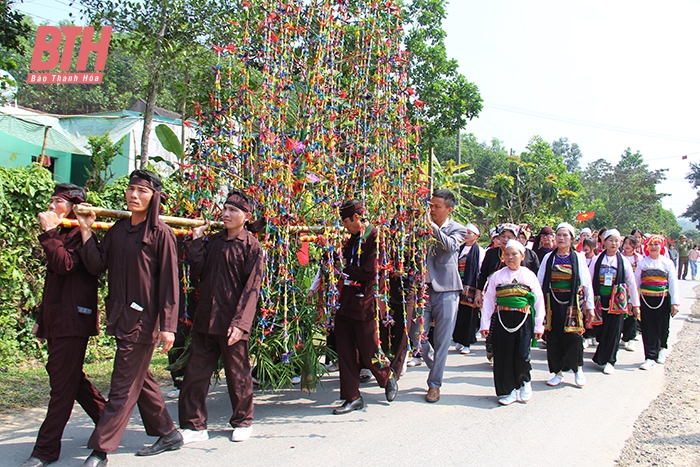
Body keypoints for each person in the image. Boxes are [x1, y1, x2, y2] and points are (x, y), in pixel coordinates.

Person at [75, 170, 182, 467]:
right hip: (119, 316)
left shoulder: (161, 234)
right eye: (131, 189)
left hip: (144, 322)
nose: (133, 195)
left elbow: (170, 285)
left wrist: (168, 327)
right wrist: (86, 230)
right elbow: (97, 265)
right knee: (140, 377)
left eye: (142, 191)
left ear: (154, 197)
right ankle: (168, 433)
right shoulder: (119, 231)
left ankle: (101, 449)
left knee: (121, 385)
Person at [19, 184, 107, 467]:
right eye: (52, 200)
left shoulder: (82, 236)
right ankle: (108, 421)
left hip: (74, 320)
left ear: (74, 207)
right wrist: (41, 322)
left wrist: (48, 233)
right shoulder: (59, 234)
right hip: (56, 319)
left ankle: (45, 450)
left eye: (58, 201)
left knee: (61, 386)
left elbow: (64, 265)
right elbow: (53, 285)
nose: (51, 206)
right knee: (69, 379)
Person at [178, 189, 264, 443]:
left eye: (233, 210)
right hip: (206, 319)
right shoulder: (214, 241)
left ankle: (243, 421)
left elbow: (252, 289)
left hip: (231, 323)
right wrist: (195, 241)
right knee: (195, 374)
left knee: (238, 374)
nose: (225, 214)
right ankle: (194, 426)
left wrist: (240, 323)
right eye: (224, 209)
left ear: (246, 216)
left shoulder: (251, 246)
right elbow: (199, 272)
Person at [331, 200, 398, 414]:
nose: (345, 226)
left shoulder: (375, 237)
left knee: (369, 348)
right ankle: (352, 397)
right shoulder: (350, 239)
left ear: (356, 218)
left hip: (365, 302)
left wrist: (346, 269)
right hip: (345, 302)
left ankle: (386, 376)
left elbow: (371, 270)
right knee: (345, 350)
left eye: (346, 221)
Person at [416, 189, 467, 403]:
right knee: (417, 337)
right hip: (422, 290)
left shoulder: (459, 229)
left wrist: (432, 228)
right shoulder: (420, 227)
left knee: (443, 341)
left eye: (437, 207)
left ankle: (434, 385)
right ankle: (435, 363)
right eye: (430, 206)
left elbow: (450, 246)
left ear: (449, 209)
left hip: (447, 290)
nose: (432, 210)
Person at [481, 240, 545, 405]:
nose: (510, 257)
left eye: (514, 254)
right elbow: (488, 301)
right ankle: (508, 390)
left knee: (522, 355)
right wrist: (485, 324)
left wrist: (539, 325)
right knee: (503, 356)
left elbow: (538, 301)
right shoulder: (497, 276)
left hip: (523, 320)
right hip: (502, 319)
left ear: (522, 256)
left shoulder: (529, 275)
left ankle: (524, 383)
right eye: (507, 254)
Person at [537, 223, 594, 388]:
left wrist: (589, 306)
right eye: (559, 235)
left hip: (572, 304)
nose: (561, 238)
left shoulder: (578, 258)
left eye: (565, 235)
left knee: (574, 338)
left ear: (572, 239)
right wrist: (539, 306)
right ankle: (558, 373)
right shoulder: (549, 258)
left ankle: (578, 370)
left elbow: (586, 283)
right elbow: (540, 282)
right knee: (554, 338)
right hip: (552, 303)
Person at [589, 229, 640, 375]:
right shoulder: (597, 259)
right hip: (600, 299)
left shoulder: (623, 261)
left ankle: (610, 360)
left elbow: (631, 283)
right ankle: (602, 356)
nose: (614, 243)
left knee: (614, 330)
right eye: (611, 240)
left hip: (617, 301)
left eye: (617, 241)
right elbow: (590, 278)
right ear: (604, 242)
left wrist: (635, 304)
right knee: (601, 329)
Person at [635, 235, 680, 370]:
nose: (653, 247)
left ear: (661, 247)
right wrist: (633, 302)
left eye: (656, 244)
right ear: (647, 247)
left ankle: (661, 348)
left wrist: (675, 303)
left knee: (662, 326)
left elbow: (673, 283)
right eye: (651, 244)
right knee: (648, 327)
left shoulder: (667, 263)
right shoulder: (643, 263)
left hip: (663, 299)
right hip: (646, 299)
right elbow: (636, 283)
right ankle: (650, 357)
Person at [453, 223, 485, 355]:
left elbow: (480, 270)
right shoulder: (459, 249)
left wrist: (478, 289)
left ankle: (467, 342)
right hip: (458, 284)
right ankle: (459, 339)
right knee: (458, 314)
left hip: (471, 286)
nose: (466, 235)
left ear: (476, 236)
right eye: (465, 233)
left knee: (469, 315)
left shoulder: (479, 251)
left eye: (469, 233)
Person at [620, 236, 643, 352]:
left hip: (634, 289)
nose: (627, 246)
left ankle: (630, 338)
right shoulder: (619, 257)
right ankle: (623, 336)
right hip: (621, 290)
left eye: (630, 243)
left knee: (632, 314)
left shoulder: (639, 259)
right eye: (626, 243)